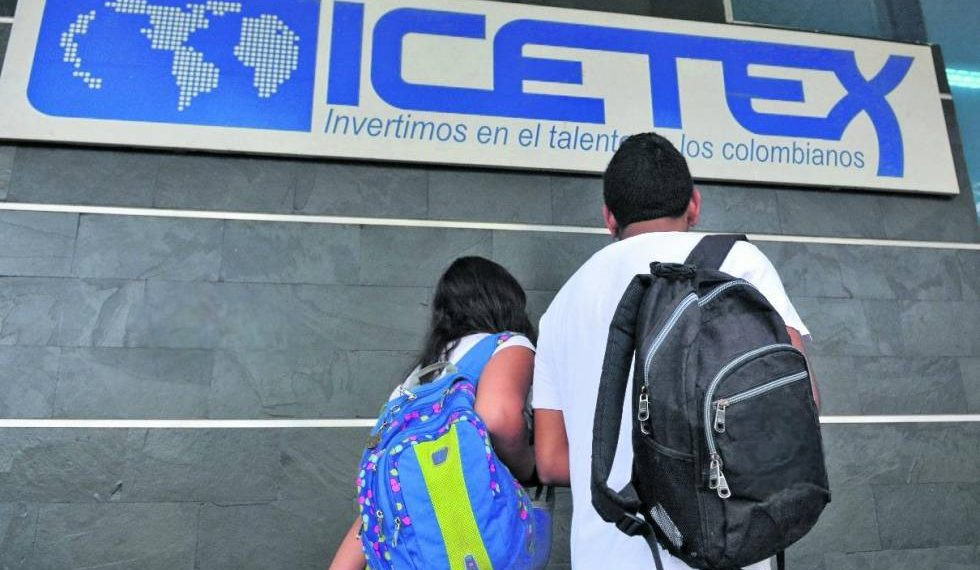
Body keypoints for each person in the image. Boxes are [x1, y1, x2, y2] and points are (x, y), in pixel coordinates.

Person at [532, 132, 818, 570]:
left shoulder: (561, 307)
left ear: (609, 217)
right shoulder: (738, 263)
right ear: (694, 204)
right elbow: (799, 401)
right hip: (724, 545)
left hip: (605, 551)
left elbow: (551, 461)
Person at [329, 256, 538, 570]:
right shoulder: (505, 345)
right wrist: (531, 467)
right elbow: (499, 418)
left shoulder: (413, 383)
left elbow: (376, 507)